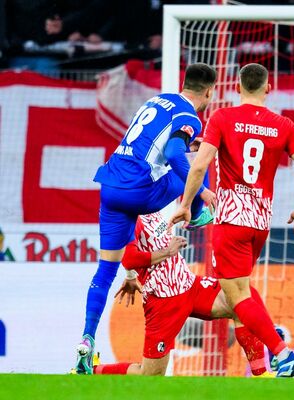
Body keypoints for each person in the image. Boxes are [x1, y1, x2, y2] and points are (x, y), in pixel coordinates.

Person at [171, 63, 294, 378]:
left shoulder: (222, 118)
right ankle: (260, 369)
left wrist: (186, 204)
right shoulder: (284, 125)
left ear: (237, 87)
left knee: (237, 297)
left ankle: (282, 352)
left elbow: (199, 167)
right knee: (239, 293)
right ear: (268, 88)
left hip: (231, 220)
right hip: (260, 223)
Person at [74, 63, 218, 374]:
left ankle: (86, 340)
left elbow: (153, 143)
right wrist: (203, 191)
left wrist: (131, 275)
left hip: (111, 186)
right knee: (198, 163)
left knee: (105, 270)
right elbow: (176, 152)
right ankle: (197, 213)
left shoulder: (157, 100)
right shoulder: (190, 117)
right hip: (139, 190)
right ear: (209, 92)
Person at [86, 212, 269, 377]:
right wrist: (168, 252)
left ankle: (261, 375)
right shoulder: (128, 217)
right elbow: (129, 258)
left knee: (241, 303)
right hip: (163, 301)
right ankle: (92, 370)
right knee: (150, 374)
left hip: (190, 285)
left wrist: (130, 276)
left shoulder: (151, 204)